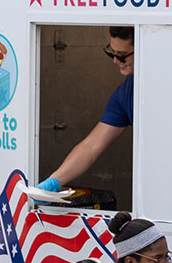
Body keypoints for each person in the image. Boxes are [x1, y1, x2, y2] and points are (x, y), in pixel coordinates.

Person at [34, 26, 135, 193]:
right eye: (112, 53)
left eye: (122, 56)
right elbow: (91, 146)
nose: (115, 61)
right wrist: (54, 181)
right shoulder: (125, 94)